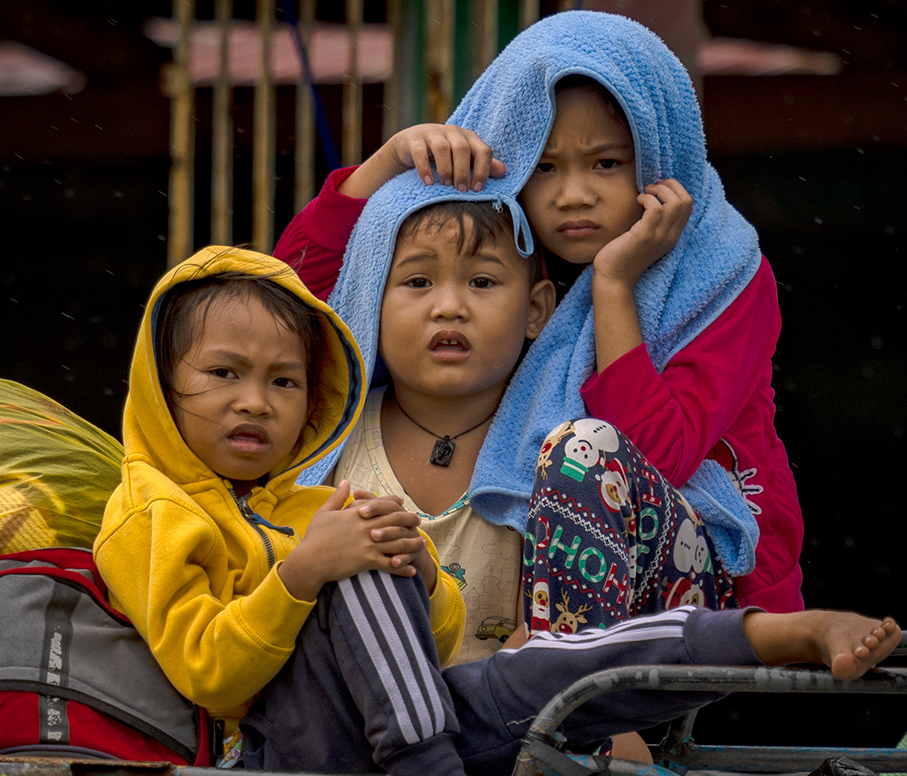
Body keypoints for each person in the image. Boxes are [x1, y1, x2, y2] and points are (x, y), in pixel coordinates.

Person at [93, 244, 902, 776]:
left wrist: (421, 574)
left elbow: (435, 641)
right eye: (223, 375)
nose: (254, 403)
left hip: (405, 739)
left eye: (283, 382)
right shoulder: (153, 512)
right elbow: (211, 676)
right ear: (163, 390)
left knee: (548, 675)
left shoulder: (304, 505)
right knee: (357, 567)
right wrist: (302, 577)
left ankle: (767, 637)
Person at [276, 10, 804, 624]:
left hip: (709, 584)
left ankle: (553, 687)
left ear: (660, 152)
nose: (572, 194)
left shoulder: (721, 273)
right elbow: (294, 310)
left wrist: (613, 285)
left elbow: (652, 460)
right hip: (531, 609)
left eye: (605, 164)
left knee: (582, 452)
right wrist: (387, 164)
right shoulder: (508, 243)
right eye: (546, 167)